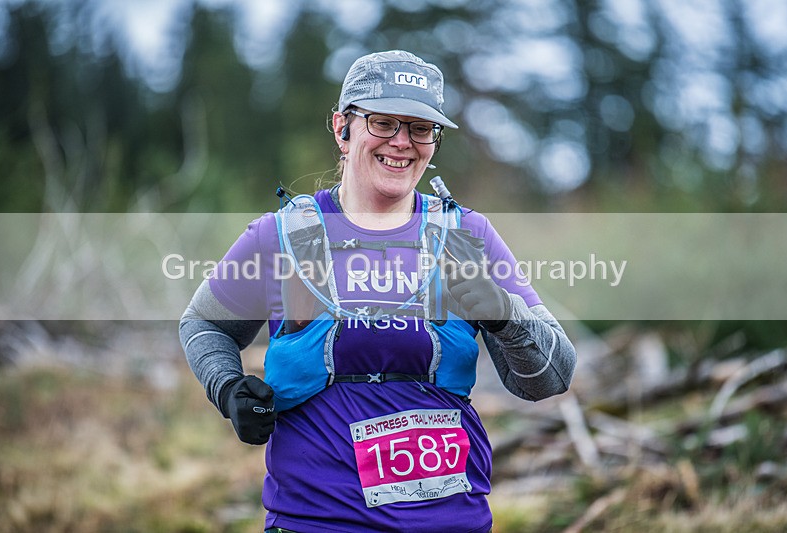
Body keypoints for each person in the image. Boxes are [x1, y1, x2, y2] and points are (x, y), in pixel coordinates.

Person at [180, 50, 576, 533]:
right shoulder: (282, 235)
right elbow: (204, 324)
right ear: (342, 128)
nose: (402, 143)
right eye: (384, 123)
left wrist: (505, 314)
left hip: (450, 522)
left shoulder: (467, 235)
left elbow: (553, 377)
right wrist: (228, 388)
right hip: (314, 521)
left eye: (420, 129)